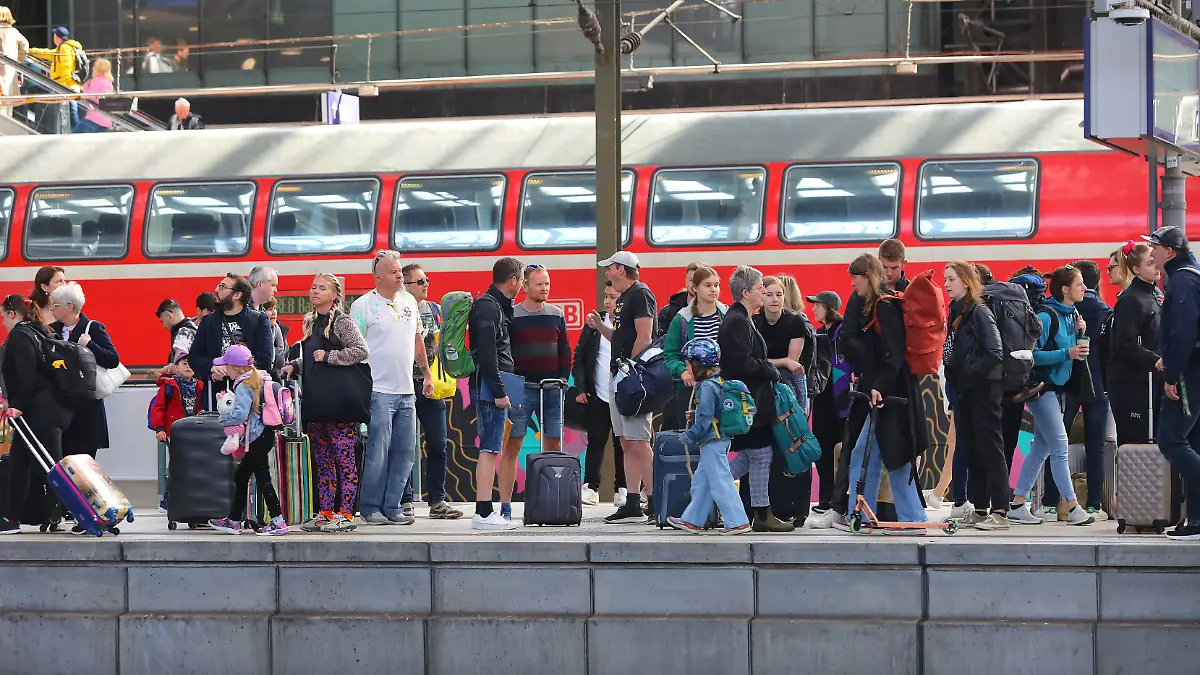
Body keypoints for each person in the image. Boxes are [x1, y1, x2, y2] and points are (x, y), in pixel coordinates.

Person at [837, 254, 928, 534]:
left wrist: (880, 386)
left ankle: (911, 519)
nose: (853, 284)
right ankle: (862, 515)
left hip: (891, 394)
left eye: (855, 278)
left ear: (866, 277)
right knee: (871, 453)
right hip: (885, 391)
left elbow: (893, 351)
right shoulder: (878, 303)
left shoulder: (885, 305)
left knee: (895, 454)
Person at [1008, 265, 1095, 526]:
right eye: (1079, 284)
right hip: (1041, 389)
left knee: (1041, 448)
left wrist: (1081, 334)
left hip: (1056, 389)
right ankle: (1072, 506)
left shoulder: (1071, 315)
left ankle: (1018, 503)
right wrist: (1067, 354)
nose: (1084, 288)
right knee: (1059, 445)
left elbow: (1069, 347)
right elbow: (1031, 356)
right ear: (1065, 290)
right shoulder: (1047, 317)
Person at [351, 251, 433, 527]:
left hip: (406, 390)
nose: (400, 275)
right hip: (378, 391)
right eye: (393, 271)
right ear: (378, 275)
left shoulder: (409, 301)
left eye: (400, 271)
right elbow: (354, 348)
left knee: (405, 452)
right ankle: (371, 506)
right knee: (378, 451)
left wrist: (427, 376)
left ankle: (393, 504)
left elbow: (417, 340)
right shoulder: (362, 306)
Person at [283, 274, 369, 533]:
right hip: (317, 402)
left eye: (322, 288)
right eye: (313, 287)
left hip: (339, 403)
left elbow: (361, 351)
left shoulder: (342, 322)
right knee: (322, 460)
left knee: (344, 459)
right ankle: (325, 511)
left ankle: (346, 513)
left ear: (334, 295)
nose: (315, 291)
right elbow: (312, 358)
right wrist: (294, 365)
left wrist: (330, 356)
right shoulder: (310, 322)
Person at [718, 265, 792, 533]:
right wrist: (770, 369)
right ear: (746, 292)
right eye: (761, 287)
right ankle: (762, 514)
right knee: (760, 454)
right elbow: (740, 361)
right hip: (749, 402)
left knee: (751, 457)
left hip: (752, 400)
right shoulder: (737, 320)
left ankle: (706, 495)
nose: (764, 291)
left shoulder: (742, 318)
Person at [589, 251, 657, 524]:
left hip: (630, 379)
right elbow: (621, 337)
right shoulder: (625, 298)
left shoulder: (640, 294)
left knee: (639, 441)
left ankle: (654, 500)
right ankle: (632, 501)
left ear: (621, 268)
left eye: (610, 269)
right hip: (619, 376)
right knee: (627, 441)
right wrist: (599, 327)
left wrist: (631, 370)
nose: (607, 273)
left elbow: (644, 337)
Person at [1041, 259, 1112, 521]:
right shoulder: (1105, 310)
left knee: (1055, 443)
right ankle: (1094, 503)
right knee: (1096, 446)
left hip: (1069, 383)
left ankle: (1049, 502)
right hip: (1097, 385)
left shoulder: (1068, 309)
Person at [1142, 226, 1200, 540]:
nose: (1152, 252)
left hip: (1190, 373)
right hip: (1194, 370)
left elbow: (1183, 334)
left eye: (1156, 247)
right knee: (1194, 443)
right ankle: (1196, 521)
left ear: (1170, 251)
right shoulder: (1191, 276)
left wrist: (1173, 375)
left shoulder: (1182, 281)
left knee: (1171, 440)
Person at [942, 262, 1009, 530]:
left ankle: (1001, 511)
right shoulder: (956, 312)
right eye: (946, 279)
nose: (946, 284)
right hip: (965, 391)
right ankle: (980, 509)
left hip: (983, 389)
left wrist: (968, 372)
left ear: (966, 282)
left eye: (951, 279)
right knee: (972, 450)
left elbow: (995, 352)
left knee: (991, 448)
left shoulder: (979, 312)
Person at [503, 264, 572, 521]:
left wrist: (563, 379)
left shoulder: (556, 313)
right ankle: (506, 505)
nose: (545, 288)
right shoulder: (512, 315)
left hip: (552, 389)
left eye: (547, 283)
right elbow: (505, 353)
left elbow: (565, 350)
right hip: (520, 389)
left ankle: (551, 500)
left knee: (553, 444)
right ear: (525, 286)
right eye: (540, 284)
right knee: (513, 445)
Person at [664, 338, 752, 536]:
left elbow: (705, 418)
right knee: (702, 482)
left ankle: (738, 521)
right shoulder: (716, 382)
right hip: (718, 438)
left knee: (721, 481)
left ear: (699, 363)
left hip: (712, 441)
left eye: (688, 363)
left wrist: (690, 435)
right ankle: (692, 520)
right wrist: (695, 417)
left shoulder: (706, 387)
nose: (686, 367)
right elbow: (713, 412)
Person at [0, 295, 71, 536]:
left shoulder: (20, 336)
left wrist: (16, 404)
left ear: (12, 314)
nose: (2, 324)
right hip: (53, 408)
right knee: (19, 463)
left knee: (51, 466)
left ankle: (57, 515)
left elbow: (26, 374)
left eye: (2, 318)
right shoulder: (41, 331)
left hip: (39, 411)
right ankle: (10, 518)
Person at [396, 263, 462, 520]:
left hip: (430, 384)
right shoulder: (400, 310)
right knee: (403, 444)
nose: (426, 285)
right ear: (406, 286)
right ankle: (404, 499)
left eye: (427, 280)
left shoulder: (434, 310)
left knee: (437, 443)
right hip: (403, 384)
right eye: (420, 281)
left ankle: (437, 500)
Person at [206, 345, 287, 536]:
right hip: (266, 434)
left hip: (257, 438)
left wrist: (223, 419)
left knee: (262, 478)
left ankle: (277, 520)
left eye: (227, 366)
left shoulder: (244, 384)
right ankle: (234, 520)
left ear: (237, 368)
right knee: (242, 476)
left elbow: (241, 414)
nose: (225, 369)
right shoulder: (261, 376)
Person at [469, 257, 523, 531]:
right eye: (521, 280)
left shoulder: (495, 306)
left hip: (493, 385)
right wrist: (500, 392)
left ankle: (484, 511)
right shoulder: (489, 308)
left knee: (491, 448)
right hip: (491, 386)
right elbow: (489, 354)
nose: (522, 285)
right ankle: (483, 512)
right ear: (512, 280)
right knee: (490, 449)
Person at [48, 283, 119, 464]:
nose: (51, 309)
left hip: (86, 412)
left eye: (55, 305)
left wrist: (90, 345)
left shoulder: (93, 328)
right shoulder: (50, 330)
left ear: (70, 307)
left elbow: (112, 359)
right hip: (60, 408)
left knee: (84, 469)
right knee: (62, 465)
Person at [573, 281, 627, 507]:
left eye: (613, 297)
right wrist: (581, 387)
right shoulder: (593, 325)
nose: (607, 301)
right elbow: (580, 357)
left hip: (623, 396)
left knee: (622, 443)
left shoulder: (628, 325)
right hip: (598, 395)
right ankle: (591, 488)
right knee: (595, 442)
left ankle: (623, 490)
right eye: (606, 296)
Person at [1107, 241, 1162, 446]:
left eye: (1156, 260)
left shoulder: (1156, 296)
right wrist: (1155, 360)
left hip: (1150, 382)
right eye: (1150, 263)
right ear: (1136, 270)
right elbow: (1124, 343)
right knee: (1135, 442)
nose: (1157, 266)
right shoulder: (1132, 300)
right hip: (1132, 384)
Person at [663, 266, 725, 434]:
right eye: (708, 285)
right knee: (693, 439)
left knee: (720, 439)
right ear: (695, 288)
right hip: (691, 391)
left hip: (722, 388)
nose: (713, 290)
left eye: (717, 285)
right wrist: (682, 371)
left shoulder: (726, 315)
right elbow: (669, 355)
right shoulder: (682, 319)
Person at [189, 274, 274, 394]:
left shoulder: (258, 319)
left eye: (222, 287)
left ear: (237, 295)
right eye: (218, 286)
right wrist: (211, 368)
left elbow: (265, 358)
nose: (217, 290)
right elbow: (194, 357)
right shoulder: (208, 321)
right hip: (216, 396)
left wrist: (234, 371)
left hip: (249, 394)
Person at [806, 290, 849, 518]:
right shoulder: (819, 333)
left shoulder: (843, 332)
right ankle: (826, 498)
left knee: (842, 448)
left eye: (818, 305)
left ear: (829, 308)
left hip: (842, 398)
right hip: (823, 397)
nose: (813, 309)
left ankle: (839, 498)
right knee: (823, 448)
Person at [755, 275, 810, 412]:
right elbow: (753, 360)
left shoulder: (796, 321)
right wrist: (784, 361)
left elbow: (793, 363)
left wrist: (784, 362)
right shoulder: (754, 321)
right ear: (762, 296)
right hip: (762, 379)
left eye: (779, 295)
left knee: (794, 426)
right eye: (769, 295)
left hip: (790, 380)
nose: (775, 299)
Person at [28, 27, 84, 129]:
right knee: (71, 112)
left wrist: (61, 85)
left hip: (66, 86)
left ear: (58, 37)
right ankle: (76, 132)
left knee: (71, 113)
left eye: (54, 36)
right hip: (69, 85)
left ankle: (78, 132)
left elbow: (66, 67)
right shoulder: (63, 48)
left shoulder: (65, 48)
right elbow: (47, 53)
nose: (54, 38)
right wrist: (31, 51)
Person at [150, 353, 204, 443]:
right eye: (184, 364)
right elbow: (158, 407)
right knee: (177, 456)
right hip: (175, 430)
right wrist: (159, 429)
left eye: (191, 363)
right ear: (176, 368)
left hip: (195, 430)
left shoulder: (199, 385)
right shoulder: (169, 385)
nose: (188, 366)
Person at [249, 266, 285, 376]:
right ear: (260, 284)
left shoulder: (261, 314)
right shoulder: (243, 313)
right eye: (273, 285)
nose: (276, 290)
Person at [657, 261, 706, 340]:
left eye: (698, 281)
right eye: (691, 280)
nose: (694, 284)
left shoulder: (718, 311)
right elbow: (660, 343)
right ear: (686, 281)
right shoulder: (667, 312)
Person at [72, 57, 114, 134]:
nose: (93, 68)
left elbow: (89, 96)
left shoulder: (96, 80)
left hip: (94, 118)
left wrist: (86, 85)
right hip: (106, 120)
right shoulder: (109, 82)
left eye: (95, 66)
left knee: (73, 136)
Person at [155, 299, 197, 374]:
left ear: (169, 316)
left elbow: (179, 369)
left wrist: (167, 369)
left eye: (162, 321)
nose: (164, 326)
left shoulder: (184, 333)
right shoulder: (194, 328)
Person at [0, 7, 29, 116]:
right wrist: (18, 60)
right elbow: (25, 45)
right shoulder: (13, 31)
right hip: (10, 67)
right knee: (8, 100)